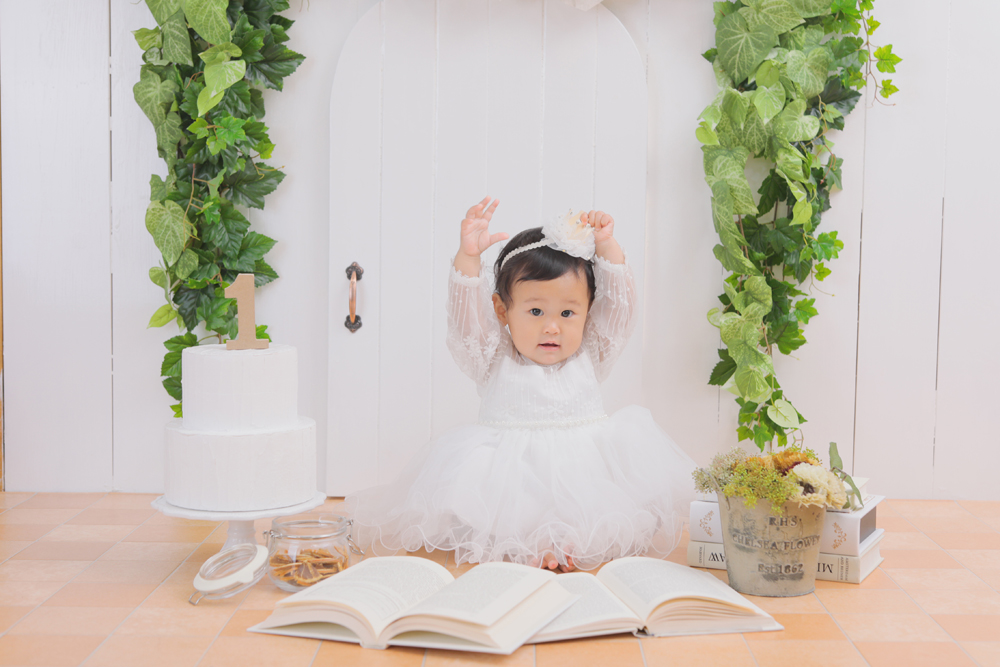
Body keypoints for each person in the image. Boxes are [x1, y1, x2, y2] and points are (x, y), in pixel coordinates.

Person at [345, 197, 696, 571]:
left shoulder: (592, 349)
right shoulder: (494, 355)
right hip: (511, 483)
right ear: (502, 310)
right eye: (535, 311)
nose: (552, 326)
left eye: (567, 312)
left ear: (589, 310)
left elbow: (620, 310)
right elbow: (467, 324)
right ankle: (530, 544)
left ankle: (570, 543)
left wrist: (606, 245)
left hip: (583, 479)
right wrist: (469, 258)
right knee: (504, 509)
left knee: (592, 511)